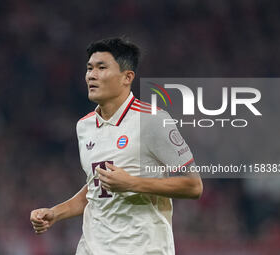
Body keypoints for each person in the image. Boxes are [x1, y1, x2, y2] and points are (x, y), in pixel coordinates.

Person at [30, 37, 203, 255]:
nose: (91, 75)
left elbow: (193, 186)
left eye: (102, 68)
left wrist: (132, 183)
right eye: (89, 68)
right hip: (92, 249)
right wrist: (56, 213)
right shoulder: (84, 126)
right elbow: (96, 189)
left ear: (127, 77)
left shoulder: (153, 120)